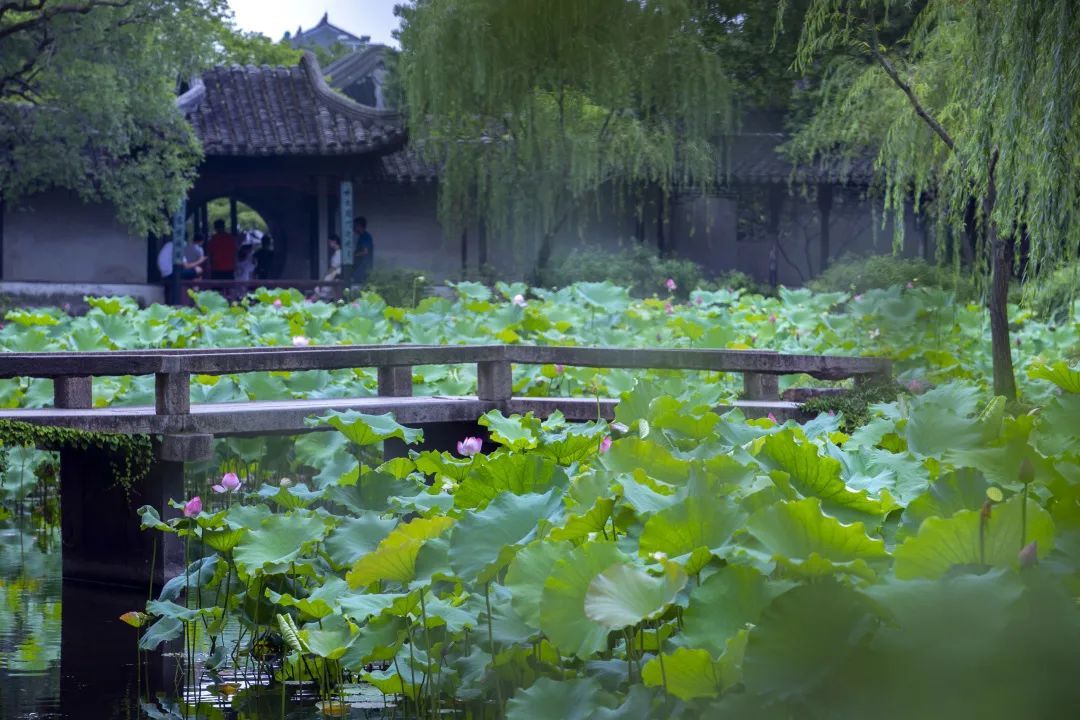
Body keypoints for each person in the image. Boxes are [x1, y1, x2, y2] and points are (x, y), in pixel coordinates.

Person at [158, 239, 203, 304]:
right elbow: (186, 266)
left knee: (192, 273)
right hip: (171, 274)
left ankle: (194, 292)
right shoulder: (178, 247)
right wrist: (200, 260)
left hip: (164, 274)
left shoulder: (169, 244)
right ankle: (196, 294)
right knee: (198, 270)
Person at [350, 216, 374, 285]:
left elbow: (365, 252)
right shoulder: (362, 236)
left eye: (354, 226)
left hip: (363, 266)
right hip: (360, 266)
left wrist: (354, 255)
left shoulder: (365, 236)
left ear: (359, 226)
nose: (353, 228)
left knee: (358, 284)